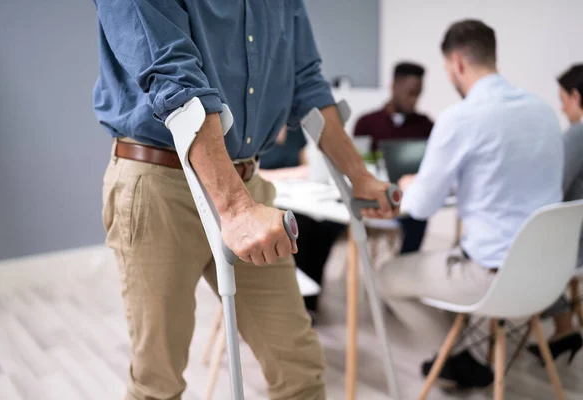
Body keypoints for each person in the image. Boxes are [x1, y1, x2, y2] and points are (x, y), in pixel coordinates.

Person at [91, 1, 397, 399]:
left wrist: (359, 176)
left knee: (299, 365)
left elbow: (307, 83)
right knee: (158, 379)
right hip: (160, 184)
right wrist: (234, 208)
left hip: (248, 183)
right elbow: (174, 78)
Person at [376, 20, 563, 390]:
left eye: (447, 70)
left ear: (457, 62)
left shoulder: (460, 118)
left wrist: (410, 186)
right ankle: (465, 357)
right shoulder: (544, 113)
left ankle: (457, 357)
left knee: (385, 276)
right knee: (455, 250)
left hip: (490, 279)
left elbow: (421, 208)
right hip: (547, 275)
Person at [260, 127, 346, 321]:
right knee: (300, 229)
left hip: (296, 196)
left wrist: (302, 173)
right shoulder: (257, 127)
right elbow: (252, 174)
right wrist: (293, 173)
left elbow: (306, 168)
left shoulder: (294, 129)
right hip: (266, 200)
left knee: (330, 225)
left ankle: (310, 302)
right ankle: (294, 302)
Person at [527, 64, 583, 363]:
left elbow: (551, 188)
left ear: (576, 96)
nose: (562, 109)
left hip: (575, 243)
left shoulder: (579, 133)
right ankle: (563, 329)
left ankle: (563, 325)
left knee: (512, 254)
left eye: (562, 100)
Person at [355, 62, 434, 254]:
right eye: (410, 93)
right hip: (375, 196)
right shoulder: (367, 123)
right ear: (394, 86)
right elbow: (358, 166)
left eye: (418, 94)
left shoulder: (426, 125)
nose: (414, 100)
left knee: (418, 214)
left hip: (410, 198)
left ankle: (403, 267)